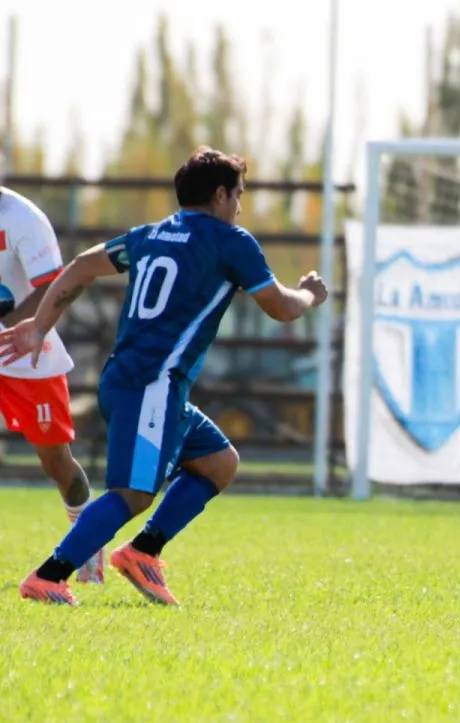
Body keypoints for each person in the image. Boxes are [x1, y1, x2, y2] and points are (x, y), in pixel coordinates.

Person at [1, 146, 328, 606]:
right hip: (151, 385)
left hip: (135, 381)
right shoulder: (231, 241)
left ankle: (143, 552)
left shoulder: (150, 234)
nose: (239, 206)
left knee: (220, 463)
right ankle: (48, 577)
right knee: (133, 495)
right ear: (220, 194)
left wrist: (40, 326)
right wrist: (310, 294)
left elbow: (82, 266)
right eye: (238, 195)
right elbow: (281, 308)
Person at [0, 154, 102, 582]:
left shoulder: (22, 218)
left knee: (56, 459)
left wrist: (13, 328)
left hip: (25, 356)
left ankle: (89, 548)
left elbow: (53, 284)